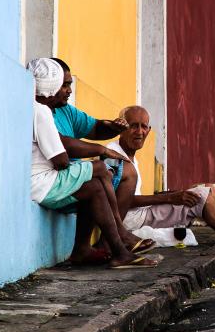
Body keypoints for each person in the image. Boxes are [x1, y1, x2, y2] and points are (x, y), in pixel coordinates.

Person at [106, 105, 215, 267]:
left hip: (141, 212)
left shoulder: (128, 154)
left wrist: (172, 194)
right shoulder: (113, 155)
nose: (139, 131)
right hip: (131, 220)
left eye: (144, 126)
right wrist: (170, 198)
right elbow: (117, 202)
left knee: (208, 188)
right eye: (133, 126)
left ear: (149, 130)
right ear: (122, 129)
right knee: (201, 197)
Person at [29, 58, 156, 268]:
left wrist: (111, 129)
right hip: (42, 184)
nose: (69, 90)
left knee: (95, 186)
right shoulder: (41, 112)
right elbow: (61, 159)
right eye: (65, 84)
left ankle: (98, 251)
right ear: (53, 85)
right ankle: (120, 236)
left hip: (43, 182)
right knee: (97, 168)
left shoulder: (48, 109)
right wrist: (100, 151)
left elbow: (95, 128)